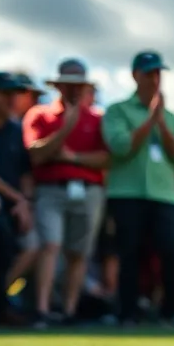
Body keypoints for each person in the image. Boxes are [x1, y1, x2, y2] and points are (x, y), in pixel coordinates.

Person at [100, 50, 174, 326]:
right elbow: (121, 147)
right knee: (129, 253)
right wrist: (149, 120)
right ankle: (127, 312)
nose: (154, 79)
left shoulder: (173, 119)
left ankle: (172, 311)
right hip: (126, 193)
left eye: (158, 73)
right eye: (149, 73)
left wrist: (161, 123)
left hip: (165, 195)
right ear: (135, 75)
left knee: (171, 252)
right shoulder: (117, 111)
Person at [23, 58, 109, 326]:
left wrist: (71, 157)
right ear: (58, 85)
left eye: (78, 86)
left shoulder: (98, 119)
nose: (73, 91)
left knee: (79, 253)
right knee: (50, 245)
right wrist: (65, 129)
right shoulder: (39, 114)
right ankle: (42, 309)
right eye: (68, 85)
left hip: (89, 192)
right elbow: (36, 154)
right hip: (50, 190)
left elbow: (107, 159)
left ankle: (69, 311)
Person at [0, 71, 39, 300]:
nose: (11, 99)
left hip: (13, 205)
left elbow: (25, 173)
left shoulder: (17, 130)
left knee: (32, 246)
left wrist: (25, 202)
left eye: (14, 94)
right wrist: (18, 199)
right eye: (5, 93)